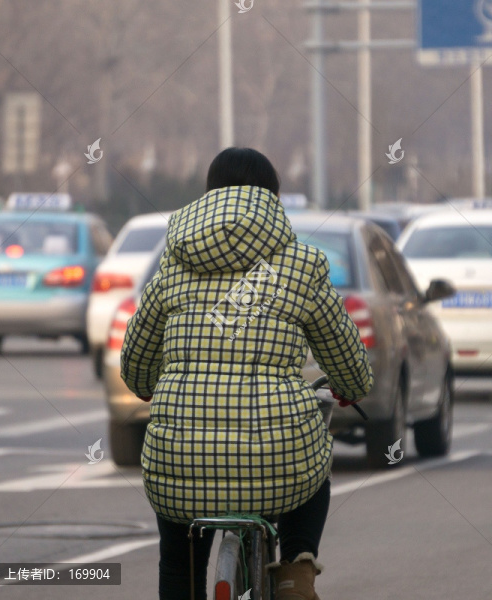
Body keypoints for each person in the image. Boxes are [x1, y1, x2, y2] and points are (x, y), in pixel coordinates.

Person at [121, 147, 373, 600]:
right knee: (313, 470)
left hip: (180, 459)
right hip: (276, 458)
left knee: (177, 555)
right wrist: (350, 387)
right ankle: (296, 573)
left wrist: (145, 385)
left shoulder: (173, 266)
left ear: (208, 197)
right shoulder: (301, 264)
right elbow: (344, 353)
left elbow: (136, 361)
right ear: (273, 199)